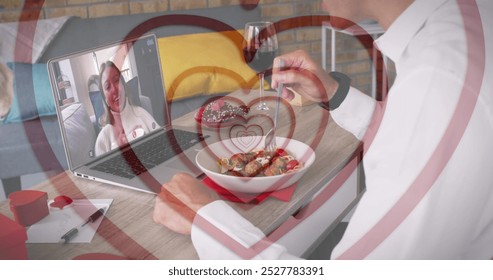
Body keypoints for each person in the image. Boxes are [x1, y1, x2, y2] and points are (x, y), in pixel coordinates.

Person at [153, 0, 493, 259]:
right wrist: (335, 93)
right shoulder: (463, 26)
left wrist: (207, 220)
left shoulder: (439, 84)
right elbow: (412, 142)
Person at [94, 61, 158, 156]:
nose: (114, 90)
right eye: (108, 87)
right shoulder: (104, 137)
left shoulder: (141, 114)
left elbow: (164, 142)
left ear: (123, 86)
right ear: (105, 98)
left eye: (116, 81)